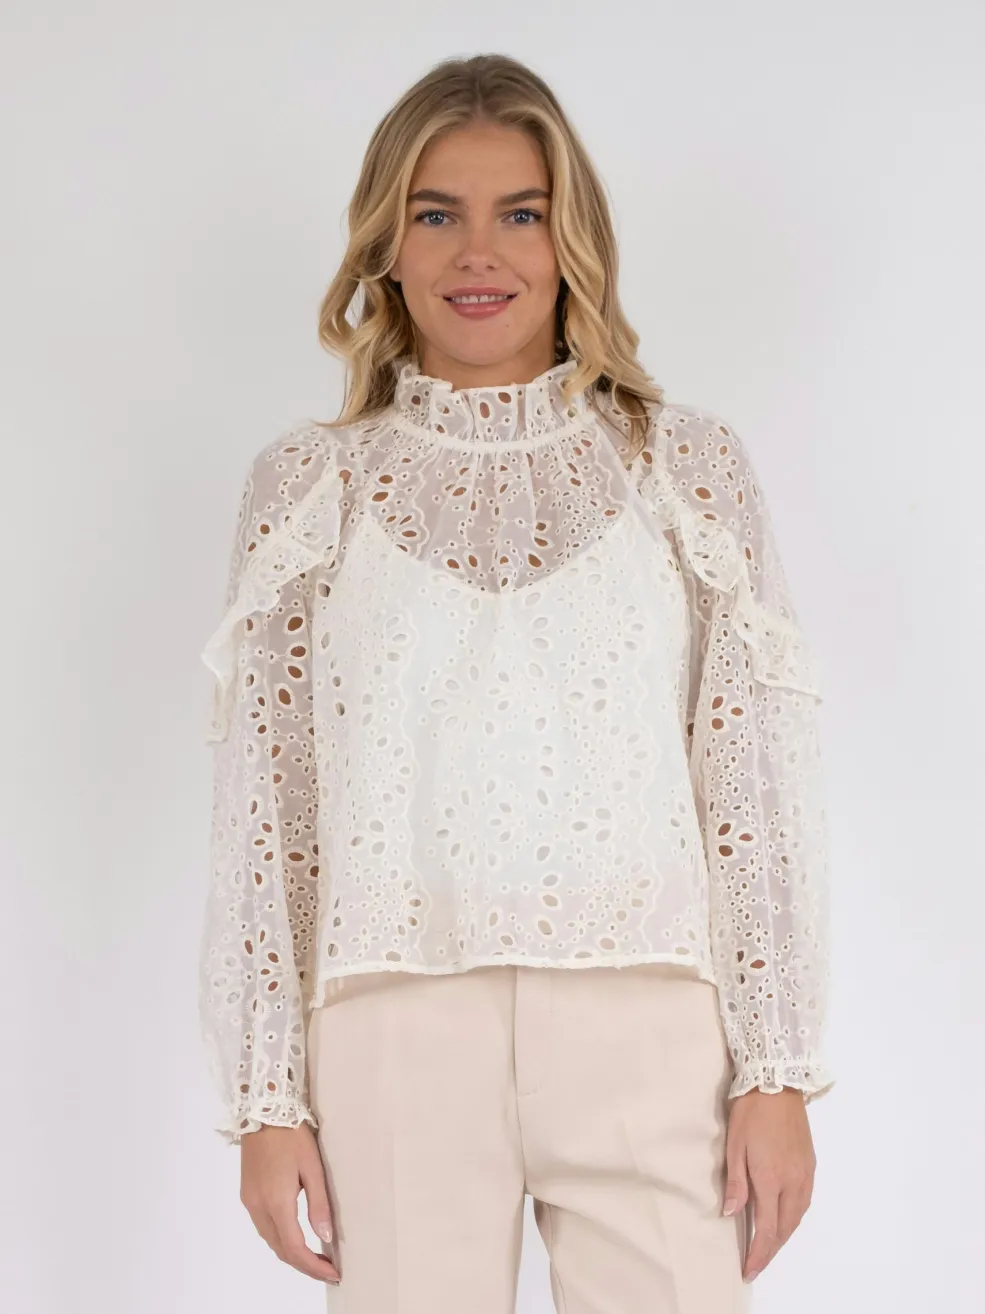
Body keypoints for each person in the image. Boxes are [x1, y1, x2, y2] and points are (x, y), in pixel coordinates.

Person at [197, 51, 835, 1314]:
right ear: (386, 245)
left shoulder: (683, 468)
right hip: (390, 1028)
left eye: (521, 213)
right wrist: (265, 1098)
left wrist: (776, 1069)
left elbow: (751, 785)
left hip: (649, 1021)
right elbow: (269, 810)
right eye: (436, 214)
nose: (477, 252)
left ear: (569, 239)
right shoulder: (309, 489)